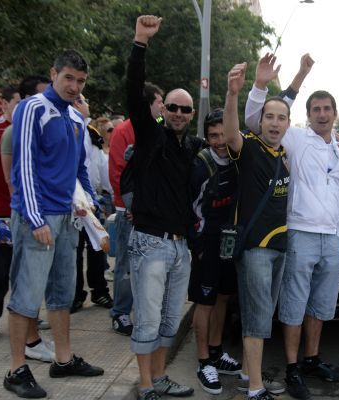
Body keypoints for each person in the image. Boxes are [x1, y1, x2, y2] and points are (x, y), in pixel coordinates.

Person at [244, 54, 339, 399]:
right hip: (301, 234)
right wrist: (291, 77)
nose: (322, 114)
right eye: (316, 109)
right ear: (307, 116)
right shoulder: (295, 138)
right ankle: (292, 367)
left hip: (332, 238)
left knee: (321, 305)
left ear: (335, 114)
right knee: (293, 303)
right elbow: (255, 119)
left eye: (327, 109)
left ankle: (312, 359)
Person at [4, 49, 104, 399]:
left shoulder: (75, 119)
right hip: (38, 217)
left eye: (80, 81)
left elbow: (80, 171)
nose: (74, 86)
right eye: (68, 79)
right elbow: (24, 167)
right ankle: (16, 369)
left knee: (63, 293)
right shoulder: (32, 108)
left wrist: (89, 204)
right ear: (54, 74)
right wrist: (34, 218)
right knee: (26, 295)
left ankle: (63, 360)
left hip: (67, 218)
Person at [128, 15, 203, 400]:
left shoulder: (192, 148)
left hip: (180, 247)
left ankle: (158, 378)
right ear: (163, 109)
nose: (177, 113)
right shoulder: (149, 136)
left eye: (184, 110)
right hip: (150, 243)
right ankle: (145, 386)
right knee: (149, 318)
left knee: (171, 320)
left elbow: (237, 146)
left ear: (192, 116)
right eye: (172, 107)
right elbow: (133, 91)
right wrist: (141, 42)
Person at [224, 62, 290, 400]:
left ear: (287, 124)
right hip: (254, 249)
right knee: (256, 320)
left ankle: (250, 373)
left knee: (265, 316)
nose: (275, 123)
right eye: (270, 117)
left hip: (280, 246)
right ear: (260, 121)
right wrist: (233, 93)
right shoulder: (248, 147)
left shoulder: (286, 154)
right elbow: (231, 132)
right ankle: (255, 389)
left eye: (281, 118)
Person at [0, 80, 54, 361]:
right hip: (2, 214)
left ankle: (29, 327)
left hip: (29, 214)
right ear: (8, 102)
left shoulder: (40, 127)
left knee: (27, 275)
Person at [188, 109, 243, 394]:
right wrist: (196, 246)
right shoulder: (202, 164)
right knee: (205, 301)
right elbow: (191, 209)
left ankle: (217, 351)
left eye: (223, 134)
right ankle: (203, 362)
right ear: (207, 137)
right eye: (213, 135)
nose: (220, 140)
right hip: (206, 242)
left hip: (230, 240)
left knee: (222, 297)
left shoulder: (239, 154)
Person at [108, 82, 164, 336]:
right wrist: (133, 207)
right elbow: (120, 174)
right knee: (126, 266)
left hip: (149, 212)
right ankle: (120, 313)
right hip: (128, 212)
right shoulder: (123, 131)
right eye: (160, 102)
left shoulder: (157, 130)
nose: (163, 106)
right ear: (147, 103)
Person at [71, 95, 113, 313]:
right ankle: (76, 294)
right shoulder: (71, 126)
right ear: (77, 104)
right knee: (76, 249)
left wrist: (96, 196)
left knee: (97, 245)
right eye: (85, 101)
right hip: (73, 196)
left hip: (91, 197)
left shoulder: (90, 132)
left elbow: (95, 167)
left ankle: (99, 291)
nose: (87, 104)